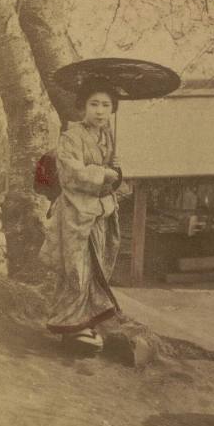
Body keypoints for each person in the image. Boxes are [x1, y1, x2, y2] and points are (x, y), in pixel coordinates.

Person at [43, 76, 123, 350]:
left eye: (106, 105)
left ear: (112, 109)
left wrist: (116, 170)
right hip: (76, 212)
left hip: (99, 213)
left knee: (96, 267)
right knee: (76, 268)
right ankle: (69, 325)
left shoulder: (107, 135)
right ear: (82, 107)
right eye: (94, 104)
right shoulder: (71, 137)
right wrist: (106, 174)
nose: (100, 111)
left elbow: (114, 166)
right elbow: (71, 173)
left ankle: (85, 322)